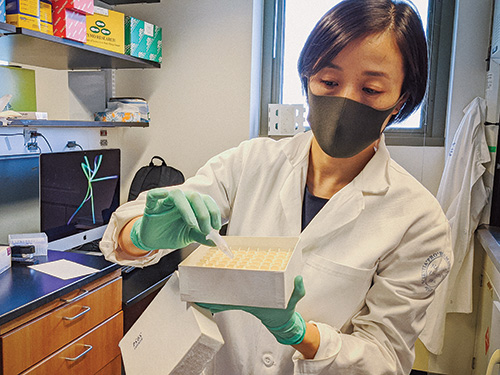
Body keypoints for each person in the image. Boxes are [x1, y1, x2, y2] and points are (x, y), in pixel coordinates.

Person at [100, 0, 453, 373]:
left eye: (371, 89)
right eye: (329, 82)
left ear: (400, 102)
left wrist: (301, 334)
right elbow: (127, 236)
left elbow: (386, 358)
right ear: (307, 81)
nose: (345, 100)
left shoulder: (418, 219)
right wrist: (140, 233)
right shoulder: (252, 162)